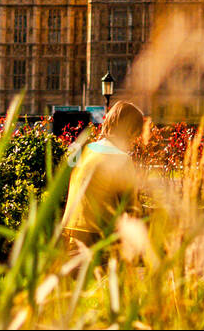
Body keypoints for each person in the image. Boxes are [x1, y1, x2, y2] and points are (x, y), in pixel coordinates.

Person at [61, 101, 148, 247]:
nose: (135, 141)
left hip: (69, 230)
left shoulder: (87, 150)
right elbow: (132, 207)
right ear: (130, 131)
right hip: (98, 236)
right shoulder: (121, 159)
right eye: (136, 134)